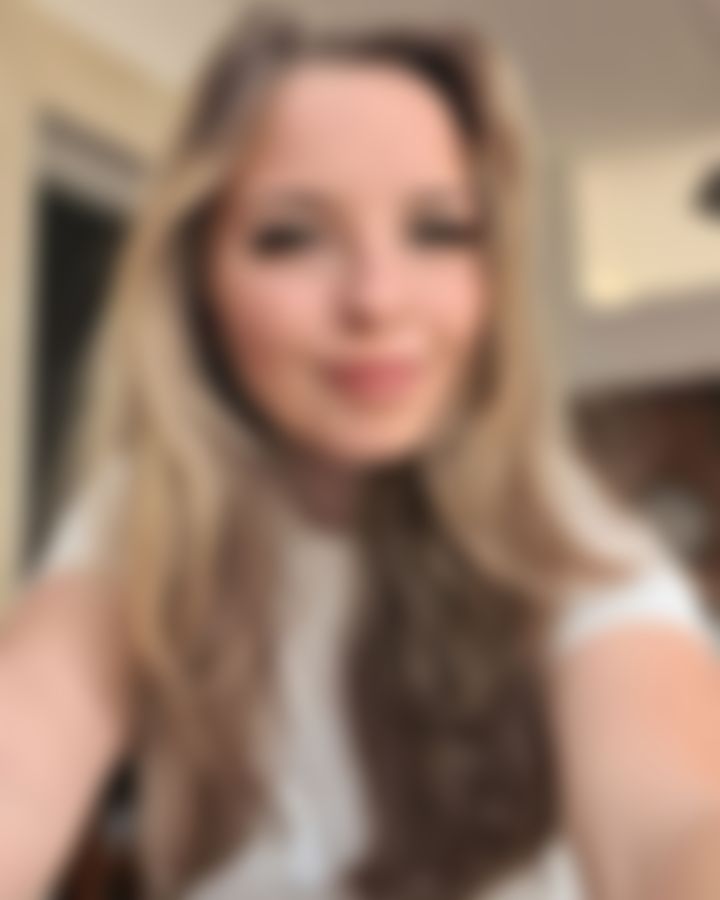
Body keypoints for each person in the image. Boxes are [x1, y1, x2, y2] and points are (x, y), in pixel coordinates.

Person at [2, 9, 720, 900]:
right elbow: (22, 751)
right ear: (198, 285)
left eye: (438, 230)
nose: (377, 299)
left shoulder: (559, 531)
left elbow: (666, 818)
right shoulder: (144, 514)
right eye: (292, 235)